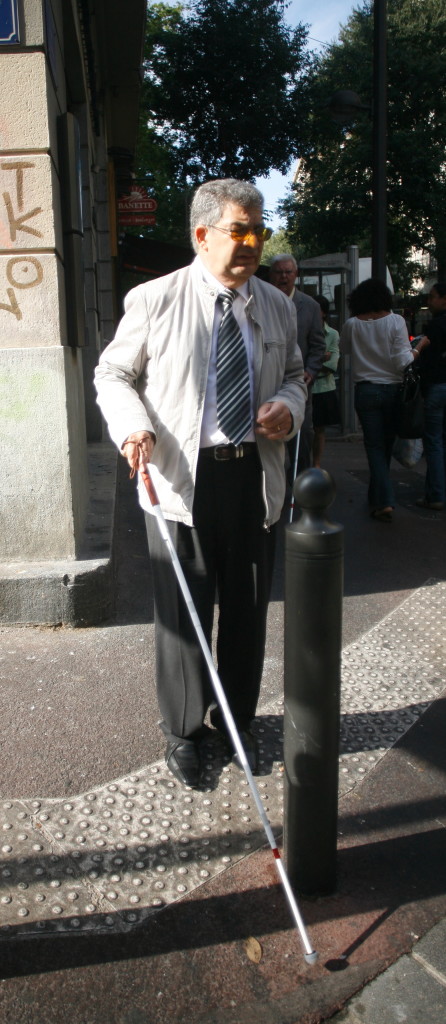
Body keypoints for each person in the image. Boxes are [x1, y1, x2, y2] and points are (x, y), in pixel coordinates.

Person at [95, 179, 306, 788]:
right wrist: (133, 427)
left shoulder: (276, 304)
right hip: (179, 480)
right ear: (201, 235)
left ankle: (237, 722)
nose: (250, 243)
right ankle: (183, 732)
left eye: (258, 231)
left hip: (253, 477)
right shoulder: (156, 299)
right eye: (239, 230)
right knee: (183, 615)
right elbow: (113, 374)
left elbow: (294, 373)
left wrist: (289, 406)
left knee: (246, 611)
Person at [340, 278, 427, 522]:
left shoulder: (351, 324)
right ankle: (385, 500)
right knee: (385, 446)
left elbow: (345, 350)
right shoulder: (395, 321)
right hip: (393, 390)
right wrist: (419, 347)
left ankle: (378, 497)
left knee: (375, 446)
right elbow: (403, 361)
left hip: (365, 391)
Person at [268, 254, 325, 479]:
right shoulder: (260, 301)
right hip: (267, 383)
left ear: (296, 275)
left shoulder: (309, 306)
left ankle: (299, 485)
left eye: (288, 272)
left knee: (301, 437)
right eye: (279, 272)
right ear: (271, 274)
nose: (284, 277)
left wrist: (309, 371)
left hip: (298, 387)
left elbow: (318, 346)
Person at [415, 282, 446, 510]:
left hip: (436, 387)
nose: (429, 301)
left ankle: (435, 494)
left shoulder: (435, 326)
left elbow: (427, 362)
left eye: (433, 297)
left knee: (433, 442)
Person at [312, 295, 340, 468]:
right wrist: (321, 358)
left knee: (319, 429)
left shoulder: (332, 334)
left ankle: (316, 464)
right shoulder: (303, 330)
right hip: (307, 386)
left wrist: (314, 361)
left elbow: (332, 365)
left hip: (323, 387)